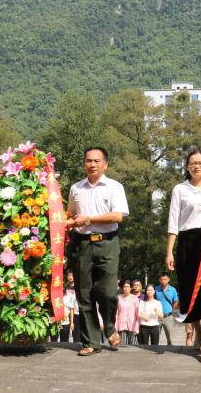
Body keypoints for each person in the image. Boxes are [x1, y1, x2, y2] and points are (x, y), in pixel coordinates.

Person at [67, 147, 130, 356]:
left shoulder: (114, 187)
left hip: (107, 243)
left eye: (96, 161)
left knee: (108, 291)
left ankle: (110, 326)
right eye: (88, 161)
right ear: (84, 163)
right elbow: (72, 215)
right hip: (81, 244)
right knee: (84, 294)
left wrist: (89, 219)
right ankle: (91, 341)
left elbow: (118, 216)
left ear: (105, 164)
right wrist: (64, 222)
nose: (92, 164)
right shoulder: (76, 188)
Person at [166, 149, 201, 364]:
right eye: (192, 163)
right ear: (187, 166)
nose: (196, 166)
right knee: (189, 293)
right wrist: (169, 251)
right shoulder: (180, 189)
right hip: (187, 243)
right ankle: (197, 329)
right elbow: (173, 221)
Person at [155, 274, 179, 345]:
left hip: (168, 316)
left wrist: (171, 310)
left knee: (170, 336)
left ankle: (170, 347)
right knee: (156, 335)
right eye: (161, 279)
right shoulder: (156, 289)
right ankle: (154, 348)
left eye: (165, 279)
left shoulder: (173, 290)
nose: (163, 281)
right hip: (157, 317)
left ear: (168, 280)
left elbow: (176, 301)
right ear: (159, 280)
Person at [115, 280, 140, 345]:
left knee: (133, 347)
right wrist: (116, 327)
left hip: (132, 326)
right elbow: (116, 314)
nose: (126, 288)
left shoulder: (135, 299)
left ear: (131, 288)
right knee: (123, 347)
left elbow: (137, 314)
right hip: (121, 326)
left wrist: (137, 328)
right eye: (124, 287)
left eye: (127, 287)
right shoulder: (118, 298)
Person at [65, 270, 81, 342]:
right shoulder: (64, 287)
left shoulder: (78, 287)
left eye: (72, 275)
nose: (70, 277)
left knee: (76, 333)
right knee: (65, 333)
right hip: (65, 312)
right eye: (69, 275)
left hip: (75, 312)